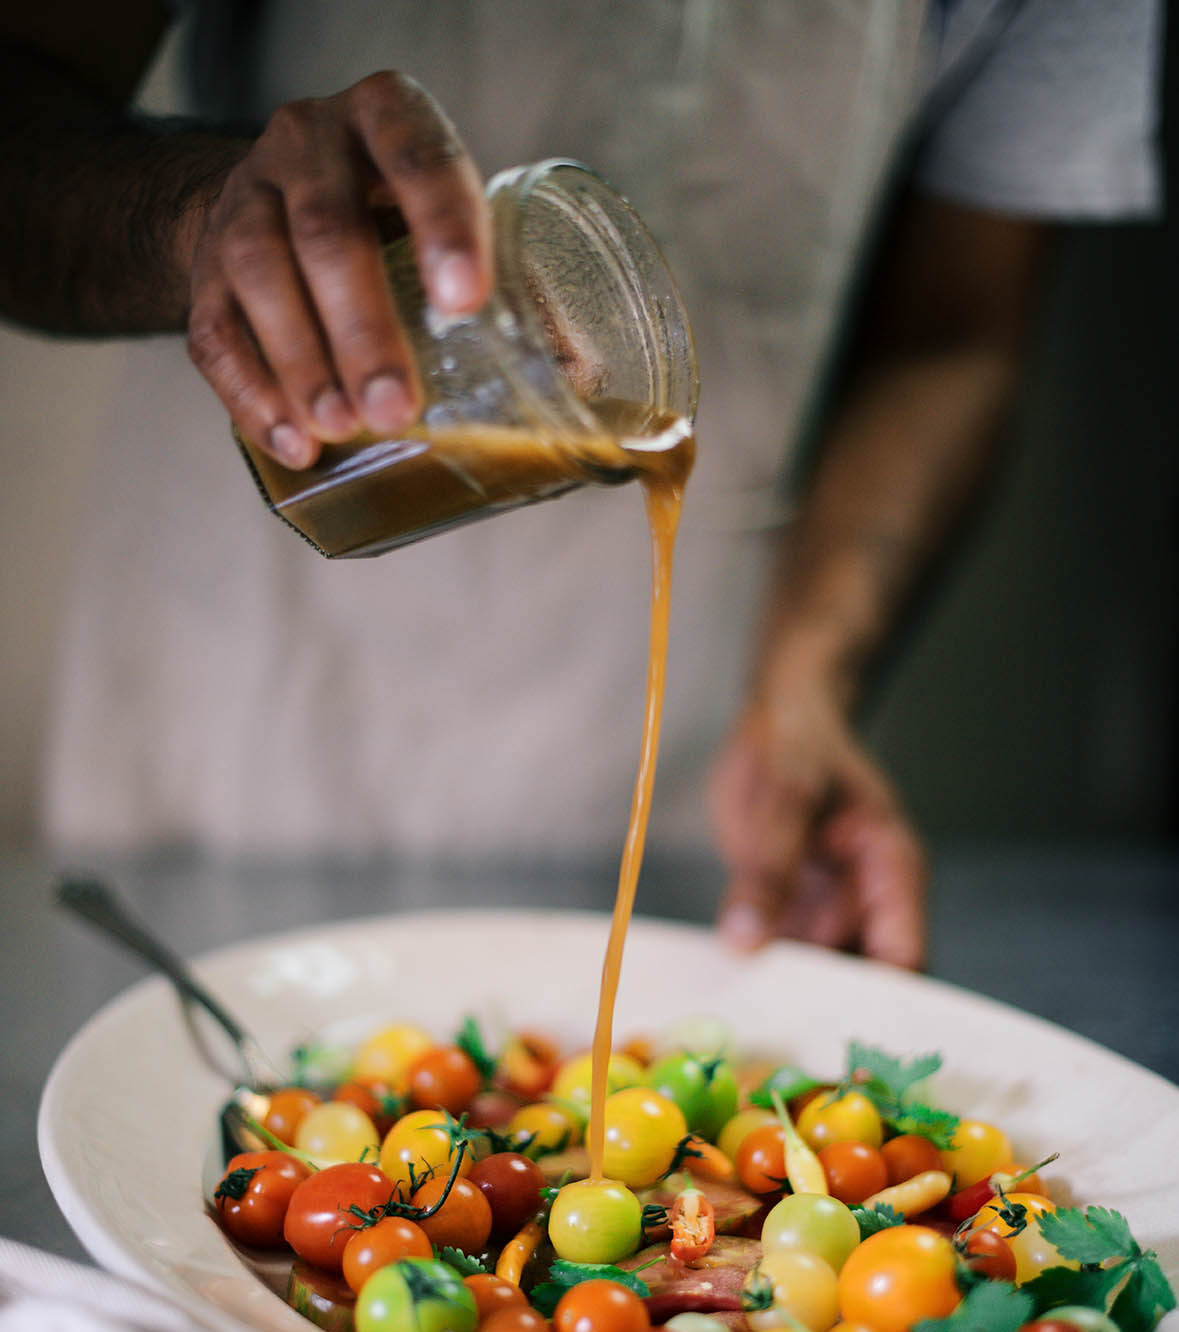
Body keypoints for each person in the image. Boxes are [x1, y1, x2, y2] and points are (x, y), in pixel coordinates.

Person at [0, 1, 1163, 969]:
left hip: (679, 744)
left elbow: (952, 330)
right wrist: (202, 220)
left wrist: (811, 676)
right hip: (238, 695)